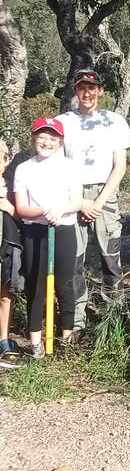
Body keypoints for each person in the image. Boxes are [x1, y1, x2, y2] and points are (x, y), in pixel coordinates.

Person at [58, 69, 130, 331]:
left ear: (100, 90)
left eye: (92, 87)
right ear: (75, 91)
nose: (87, 92)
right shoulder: (64, 122)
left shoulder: (115, 122)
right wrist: (80, 201)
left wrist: (99, 202)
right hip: (72, 197)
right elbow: (55, 164)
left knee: (111, 259)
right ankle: (74, 322)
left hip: (105, 195)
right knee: (73, 262)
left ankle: (113, 321)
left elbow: (120, 166)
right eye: (82, 87)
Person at [13, 118, 83, 358]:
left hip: (63, 230)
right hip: (35, 233)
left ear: (60, 141)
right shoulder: (24, 168)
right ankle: (35, 344)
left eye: (52, 138)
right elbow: (22, 208)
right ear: (34, 139)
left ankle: (66, 341)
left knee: (64, 285)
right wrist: (43, 211)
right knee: (36, 287)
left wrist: (60, 210)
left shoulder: (71, 167)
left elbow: (77, 201)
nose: (47, 142)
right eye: (42, 136)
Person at [0, 139, 22, 367]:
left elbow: (25, 216)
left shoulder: (13, 185)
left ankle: (4, 340)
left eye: (2, 154)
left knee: (6, 296)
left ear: (7, 161)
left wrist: (10, 207)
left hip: (7, 247)